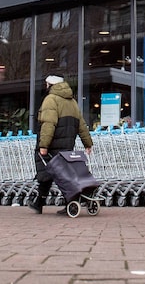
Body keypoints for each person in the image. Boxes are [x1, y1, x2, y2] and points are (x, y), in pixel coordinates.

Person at [29, 75, 94, 215]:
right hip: (67, 145)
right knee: (63, 174)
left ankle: (41, 202)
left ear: (50, 85)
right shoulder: (72, 102)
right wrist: (87, 143)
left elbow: (48, 123)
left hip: (52, 144)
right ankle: (43, 202)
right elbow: (81, 125)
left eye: (46, 84)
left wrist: (44, 145)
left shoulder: (50, 100)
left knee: (49, 172)